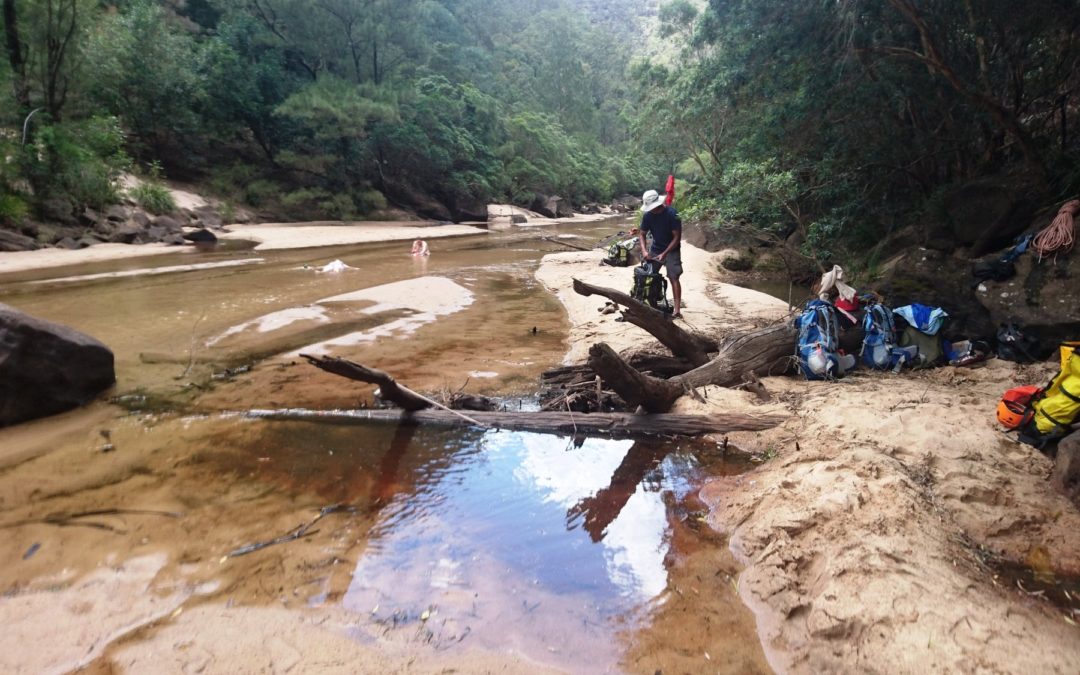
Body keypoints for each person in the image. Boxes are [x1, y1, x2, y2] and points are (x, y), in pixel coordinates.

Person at [637, 189, 683, 318]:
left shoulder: (672, 214)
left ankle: (677, 310)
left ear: (658, 204)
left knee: (673, 277)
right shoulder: (648, 216)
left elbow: (676, 237)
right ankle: (649, 302)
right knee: (648, 274)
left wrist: (665, 253)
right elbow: (642, 234)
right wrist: (645, 251)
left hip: (672, 249)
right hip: (656, 248)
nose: (651, 210)